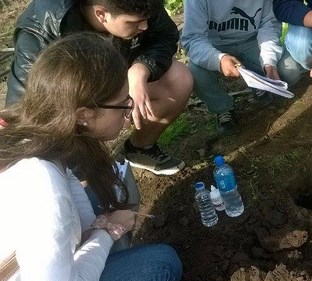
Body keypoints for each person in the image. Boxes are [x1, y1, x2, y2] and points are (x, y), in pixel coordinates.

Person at [0, 33, 182, 281]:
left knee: (108, 190)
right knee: (160, 266)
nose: (128, 115)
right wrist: (109, 232)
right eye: (122, 105)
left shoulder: (42, 141)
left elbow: (84, 221)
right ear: (84, 114)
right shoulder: (42, 186)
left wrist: (103, 229)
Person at [6, 0, 193, 176]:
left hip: (115, 79)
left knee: (178, 79)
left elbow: (165, 35)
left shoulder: (139, 4)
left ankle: (139, 148)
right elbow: (30, 109)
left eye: (146, 20)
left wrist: (141, 69)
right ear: (101, 14)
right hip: (76, 103)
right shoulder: (42, 31)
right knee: (89, 183)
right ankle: (83, 169)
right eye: (134, 22)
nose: (144, 26)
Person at [182, 0, 286, 135]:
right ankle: (222, 108)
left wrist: (269, 61)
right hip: (214, 46)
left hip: (253, 41)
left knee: (287, 70)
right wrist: (218, 60)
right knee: (195, 73)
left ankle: (260, 84)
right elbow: (193, 38)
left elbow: (269, 25)